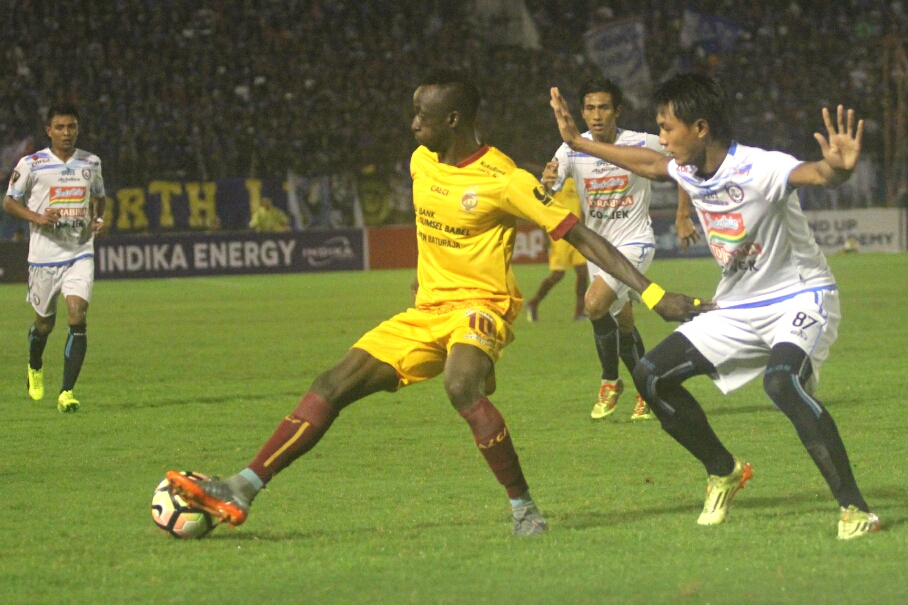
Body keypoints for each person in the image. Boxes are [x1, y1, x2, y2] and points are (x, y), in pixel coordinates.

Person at [166, 70, 707, 536]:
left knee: (459, 385)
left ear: (453, 119)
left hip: (482, 306)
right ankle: (242, 487)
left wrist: (656, 294)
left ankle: (523, 508)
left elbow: (584, 239)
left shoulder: (505, 180)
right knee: (329, 384)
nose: (413, 124)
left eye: (422, 115)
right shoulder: (421, 163)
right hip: (426, 312)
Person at [550, 72, 881, 539]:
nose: (661, 138)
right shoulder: (686, 168)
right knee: (649, 376)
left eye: (667, 128)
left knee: (782, 382)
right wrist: (576, 144)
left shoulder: (759, 167)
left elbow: (815, 173)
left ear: (700, 128)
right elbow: (645, 163)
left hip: (799, 296)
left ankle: (854, 508)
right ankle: (724, 470)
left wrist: (839, 169)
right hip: (737, 306)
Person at [544, 78, 667, 422]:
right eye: (589, 108)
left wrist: (685, 212)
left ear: (617, 111)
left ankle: (610, 381)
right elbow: (550, 186)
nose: (596, 116)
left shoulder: (642, 143)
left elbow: (684, 159)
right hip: (599, 250)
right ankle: (648, 390)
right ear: (581, 112)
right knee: (623, 324)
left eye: (603, 108)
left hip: (635, 242)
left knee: (593, 304)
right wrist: (546, 180)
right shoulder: (571, 148)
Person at [2, 103, 107, 413]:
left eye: (71, 127)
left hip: (79, 252)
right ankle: (35, 364)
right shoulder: (31, 164)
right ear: (49, 131)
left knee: (77, 313)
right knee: (44, 325)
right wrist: (36, 217)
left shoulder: (91, 162)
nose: (66, 133)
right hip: (44, 258)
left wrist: (99, 219)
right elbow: (9, 202)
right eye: (59, 128)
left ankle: (67, 392)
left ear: (77, 129)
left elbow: (100, 197)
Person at [525, 177, 589, 323]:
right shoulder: (554, 181)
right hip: (559, 233)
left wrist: (585, 229)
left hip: (577, 232)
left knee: (583, 273)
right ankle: (534, 303)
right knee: (558, 274)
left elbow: (582, 208)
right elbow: (543, 208)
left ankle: (579, 313)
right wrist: (544, 236)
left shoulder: (578, 180)